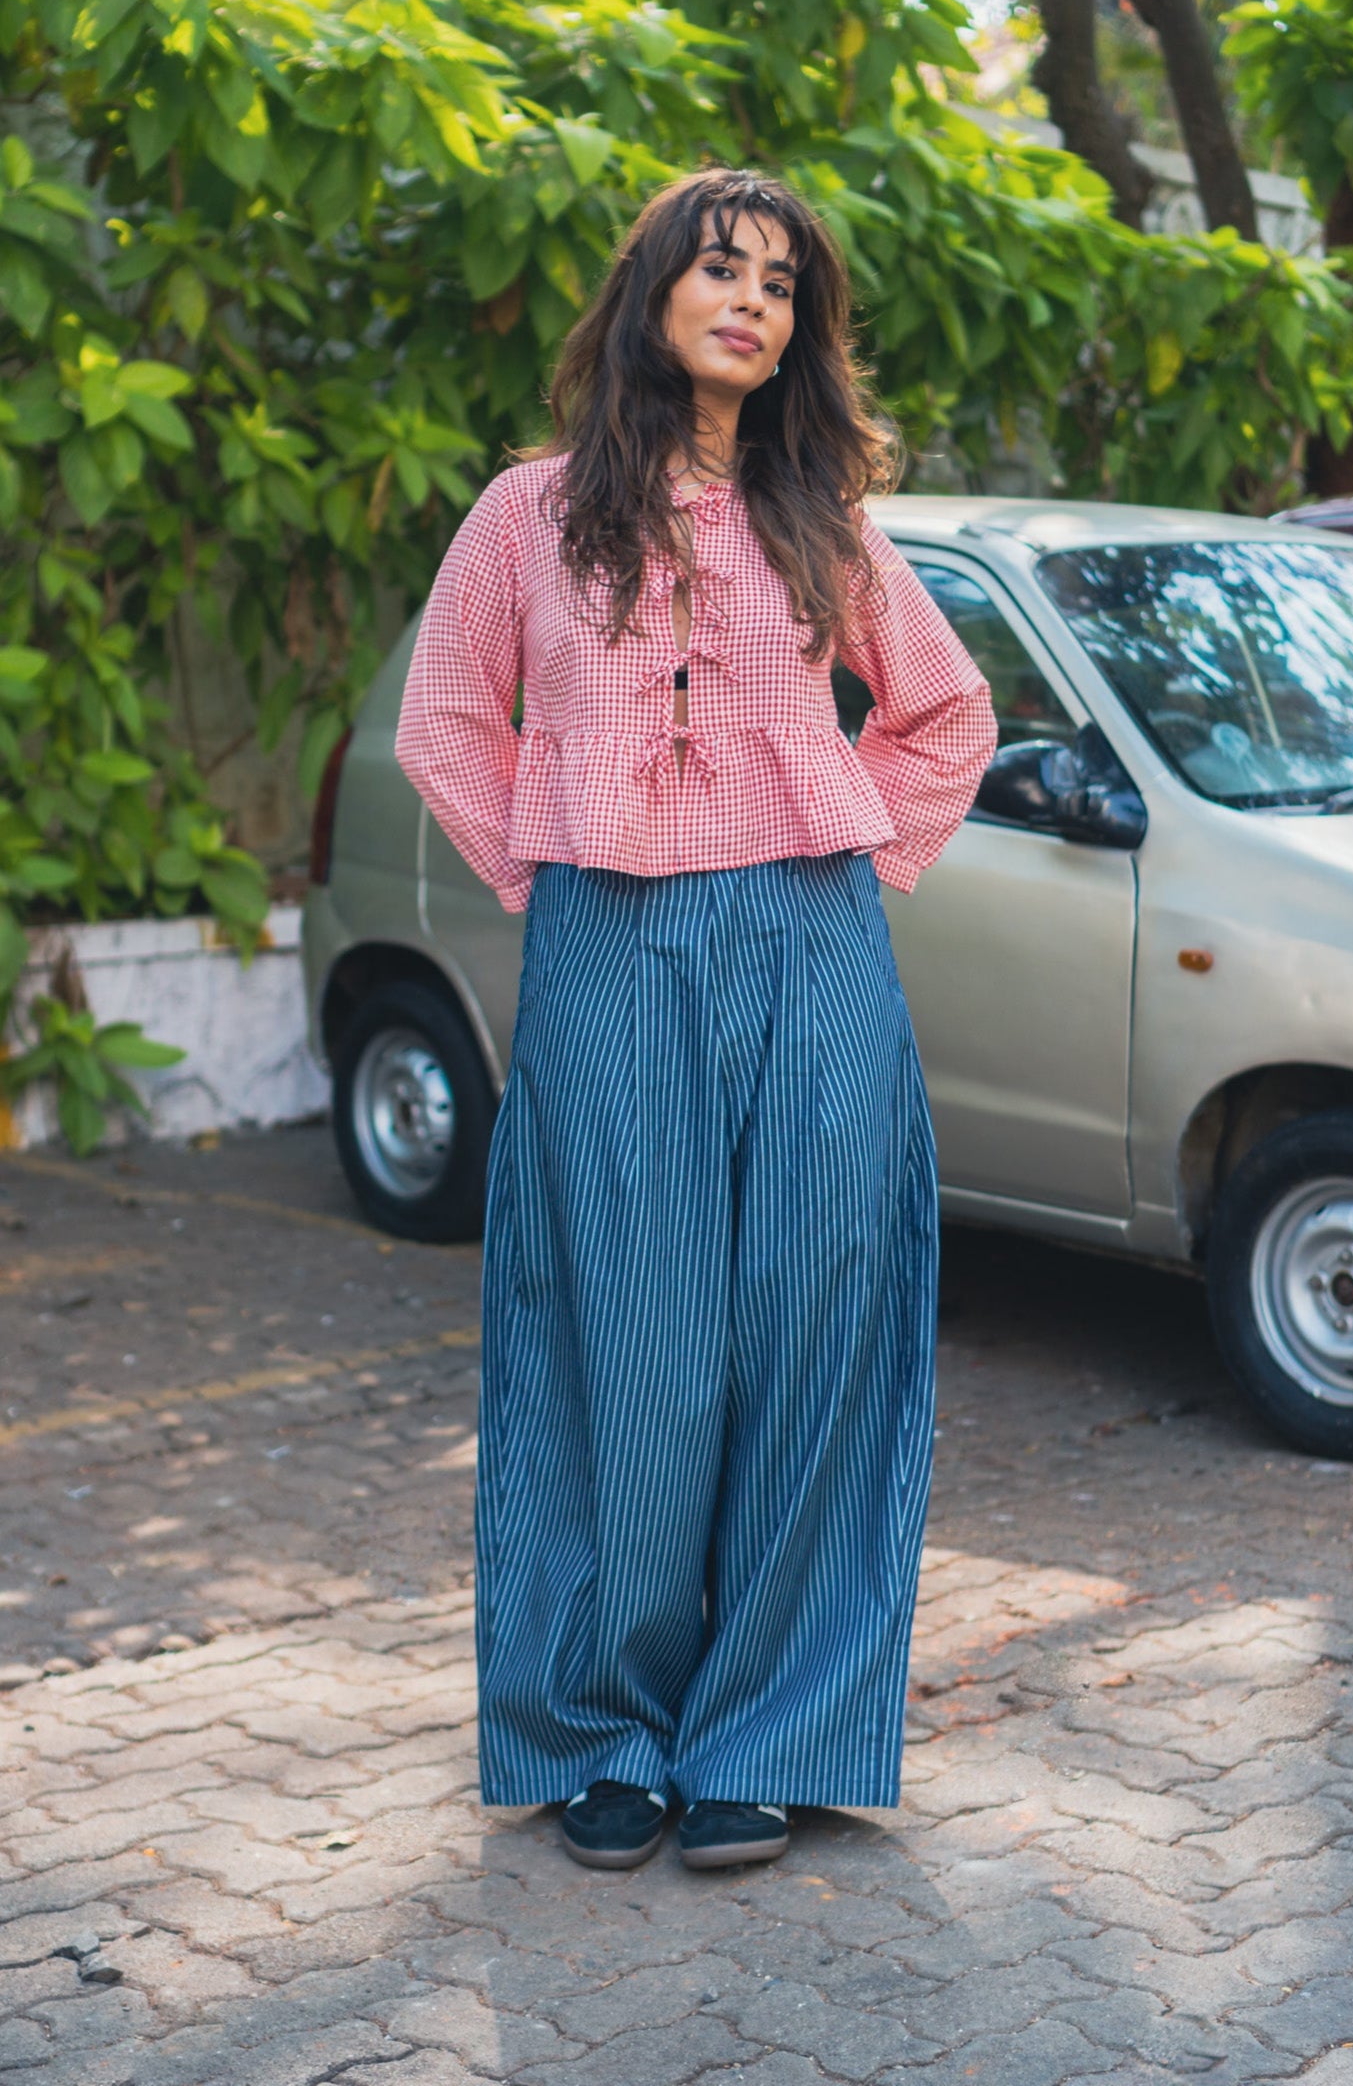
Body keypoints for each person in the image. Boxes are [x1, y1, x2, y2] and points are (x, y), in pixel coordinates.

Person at [395, 168, 997, 1874]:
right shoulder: (527, 514)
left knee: (817, 1332)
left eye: (783, 285)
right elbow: (447, 717)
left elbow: (948, 716)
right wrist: (556, 850)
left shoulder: (826, 520)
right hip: (603, 945)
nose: (752, 301)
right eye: (720, 268)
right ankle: (605, 1728)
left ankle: (769, 1733)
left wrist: (848, 835)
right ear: (652, 289)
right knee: (624, 1343)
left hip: (812, 944)